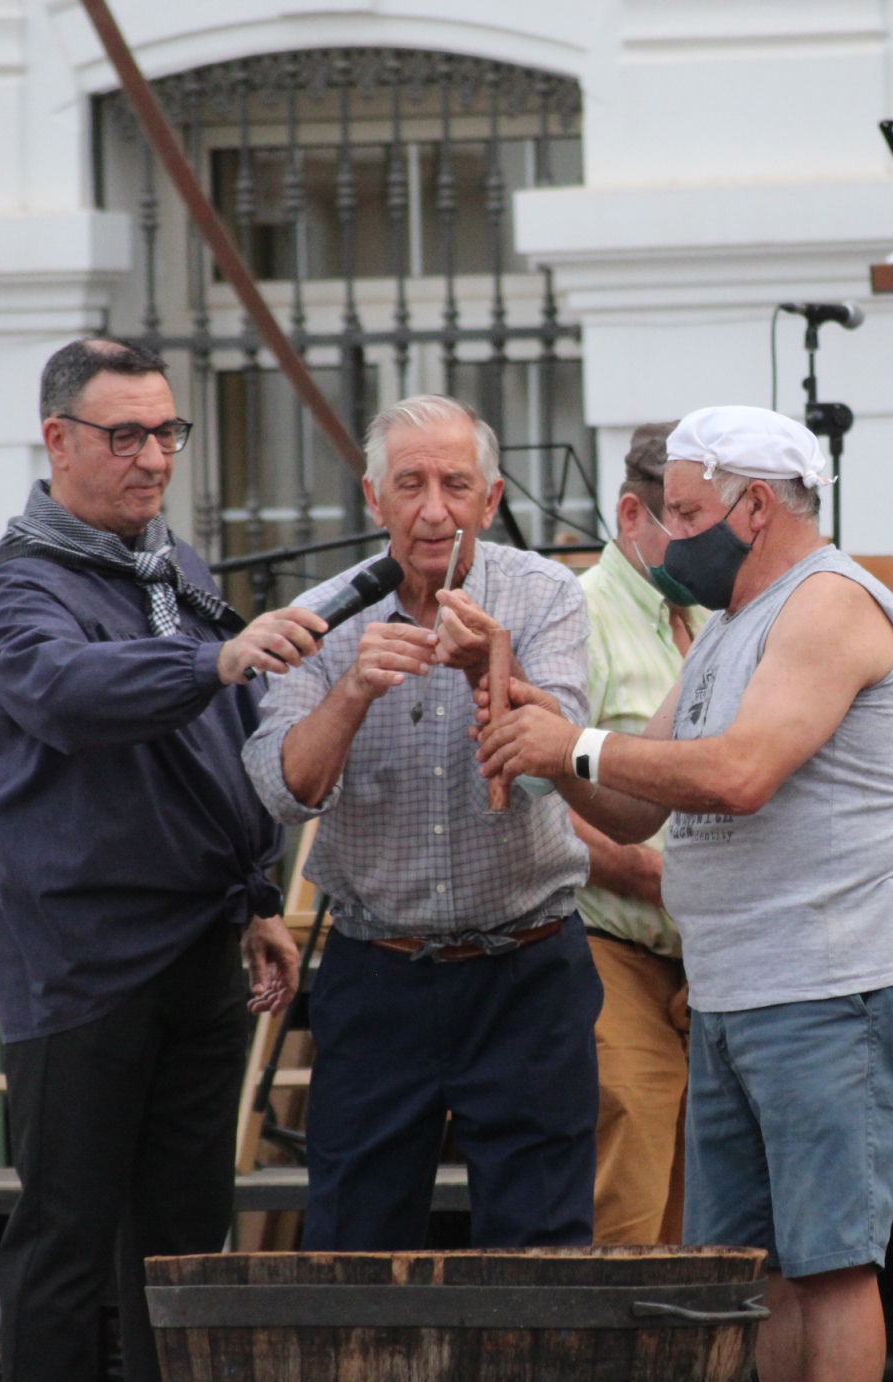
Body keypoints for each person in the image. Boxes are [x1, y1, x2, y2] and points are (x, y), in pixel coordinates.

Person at [477, 405, 893, 1382]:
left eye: (684, 512)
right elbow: (631, 804)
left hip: (825, 983)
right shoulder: (730, 626)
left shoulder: (826, 603)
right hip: (736, 987)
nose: (665, 533)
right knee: (751, 1271)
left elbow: (741, 772)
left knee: (832, 1263)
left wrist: (579, 743)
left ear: (755, 505)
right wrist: (546, 735)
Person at [0, 338, 308, 1382]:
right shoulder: (22, 587)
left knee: (185, 1242)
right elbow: (66, 691)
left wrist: (257, 894)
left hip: (198, 937)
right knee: (66, 1233)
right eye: (127, 434)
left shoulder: (171, 564)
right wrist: (213, 657)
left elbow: (218, 744)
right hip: (84, 958)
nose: (154, 457)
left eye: (168, 431)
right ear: (58, 440)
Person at [242, 393, 601, 1250]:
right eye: (410, 484)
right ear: (375, 501)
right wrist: (353, 690)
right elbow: (278, 789)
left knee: (540, 1251)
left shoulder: (547, 592)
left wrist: (492, 665)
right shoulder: (325, 612)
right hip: (378, 972)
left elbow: (557, 758)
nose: (433, 509)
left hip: (526, 967)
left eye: (455, 484)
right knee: (354, 1245)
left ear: (492, 497)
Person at [576, 422, 707, 1245]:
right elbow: (530, 794)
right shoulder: (582, 615)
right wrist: (652, 876)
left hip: (711, 961)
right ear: (634, 516)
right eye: (685, 520)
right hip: (613, 951)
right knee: (628, 1219)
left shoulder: (708, 616)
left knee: (708, 1222)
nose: (704, 542)